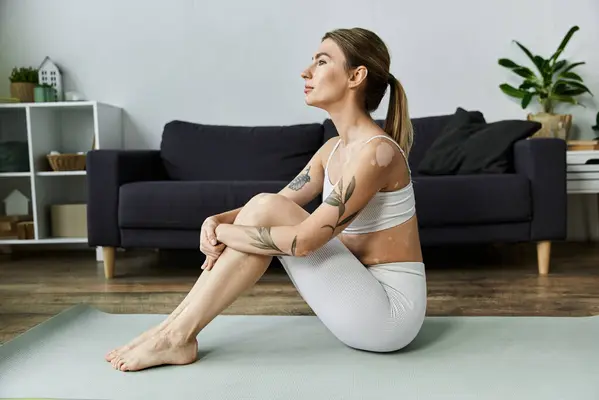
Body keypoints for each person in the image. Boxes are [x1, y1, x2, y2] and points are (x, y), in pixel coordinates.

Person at [105, 27, 427, 372]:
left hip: (388, 317)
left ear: (355, 76)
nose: (306, 72)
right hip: (355, 295)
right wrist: (217, 220)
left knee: (266, 208)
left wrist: (225, 234)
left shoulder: (377, 153)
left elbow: (304, 241)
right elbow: (273, 204)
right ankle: (171, 330)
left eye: (321, 61)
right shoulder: (332, 150)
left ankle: (176, 336)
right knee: (265, 205)